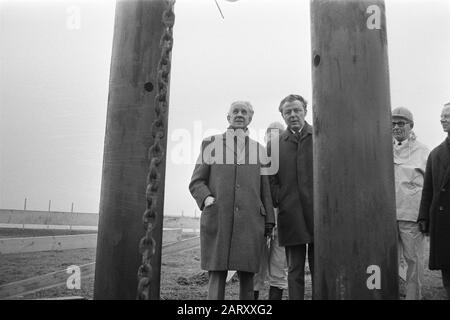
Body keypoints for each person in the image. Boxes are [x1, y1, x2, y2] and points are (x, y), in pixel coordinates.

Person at [189, 101, 275, 300]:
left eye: (244, 112)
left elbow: (265, 189)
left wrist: (269, 221)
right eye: (235, 111)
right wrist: (208, 198)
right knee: (217, 273)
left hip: (251, 221)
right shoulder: (211, 143)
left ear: (250, 118)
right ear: (228, 117)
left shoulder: (259, 149)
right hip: (219, 216)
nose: (239, 114)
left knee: (247, 275)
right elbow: (196, 181)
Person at [269, 94, 314, 300]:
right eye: (288, 112)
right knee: (294, 269)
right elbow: (271, 180)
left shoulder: (321, 136)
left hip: (318, 215)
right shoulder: (275, 145)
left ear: (305, 110)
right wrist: (281, 199)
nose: (293, 115)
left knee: (319, 267)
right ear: (283, 115)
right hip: (291, 214)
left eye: (297, 110)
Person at [391, 107, 430, 300]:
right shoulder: (383, 147)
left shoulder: (423, 151)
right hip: (388, 216)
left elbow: (430, 184)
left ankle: (413, 297)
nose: (396, 127)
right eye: (393, 124)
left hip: (411, 216)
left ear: (411, 126)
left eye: (401, 123)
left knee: (413, 261)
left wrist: (425, 216)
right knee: (388, 261)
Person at [418, 102, 450, 300]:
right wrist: (424, 217)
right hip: (443, 220)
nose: (442, 119)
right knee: (447, 269)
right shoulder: (436, 153)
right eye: (441, 115)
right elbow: (427, 189)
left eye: (447, 115)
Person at [253, 121, 288, 300]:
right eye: (270, 133)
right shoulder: (257, 155)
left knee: (278, 264)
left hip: (282, 214)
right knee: (256, 265)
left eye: (278, 133)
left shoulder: (288, 158)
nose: (273, 137)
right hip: (260, 215)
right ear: (265, 136)